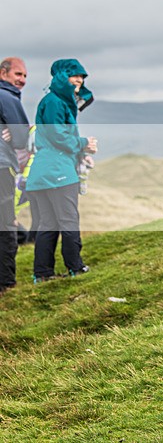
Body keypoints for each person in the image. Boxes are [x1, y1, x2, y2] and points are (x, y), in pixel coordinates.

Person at [26, 59, 97, 282]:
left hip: (42, 173)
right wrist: (84, 143)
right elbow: (59, 136)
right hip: (58, 172)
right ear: (61, 76)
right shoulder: (55, 102)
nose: (80, 80)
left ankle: (42, 274)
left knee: (48, 223)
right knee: (68, 220)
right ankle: (76, 267)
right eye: (75, 75)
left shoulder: (52, 101)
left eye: (83, 77)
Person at [0, 57, 30, 293]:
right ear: (3, 74)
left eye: (25, 76)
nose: (22, 80)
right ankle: (6, 282)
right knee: (6, 224)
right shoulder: (7, 97)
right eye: (18, 75)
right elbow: (21, 138)